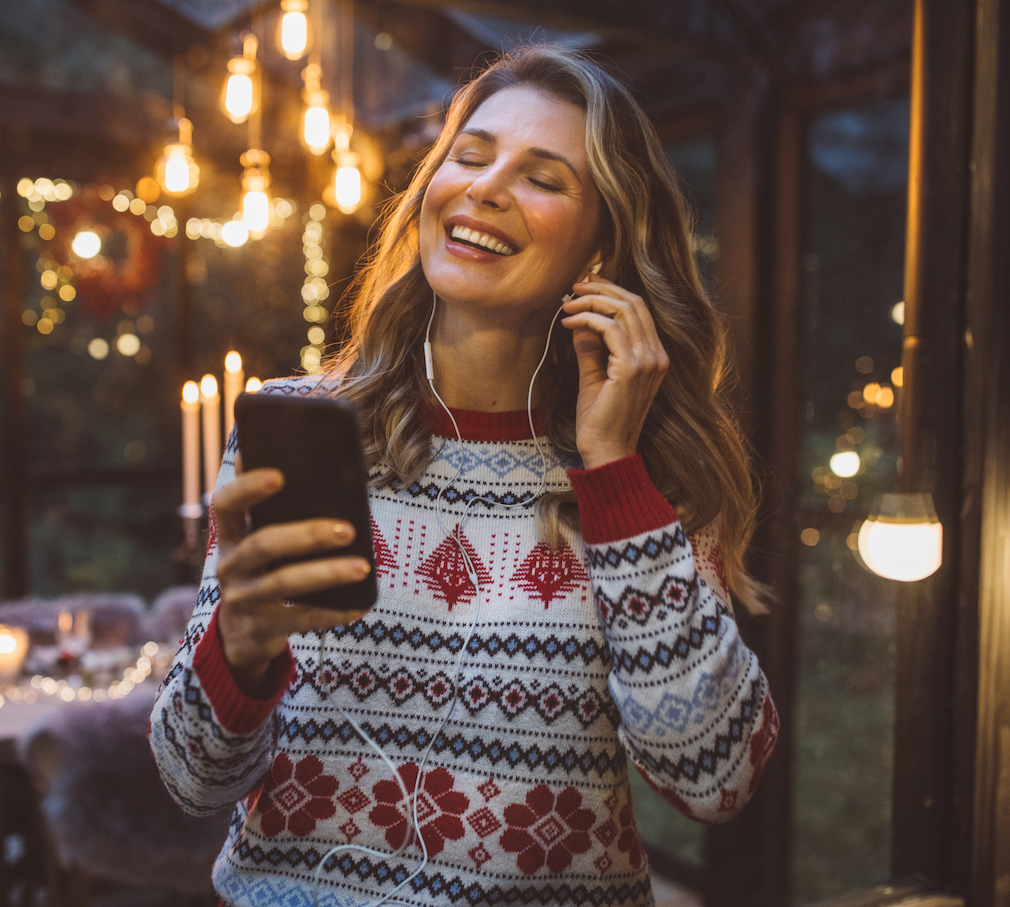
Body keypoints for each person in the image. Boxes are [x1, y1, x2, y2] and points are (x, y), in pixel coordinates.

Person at [150, 45, 778, 907]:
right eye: (470, 156)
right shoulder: (300, 431)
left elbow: (717, 777)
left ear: (600, 251)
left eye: (543, 178)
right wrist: (239, 649)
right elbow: (189, 778)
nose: (484, 188)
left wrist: (614, 472)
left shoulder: (647, 474)